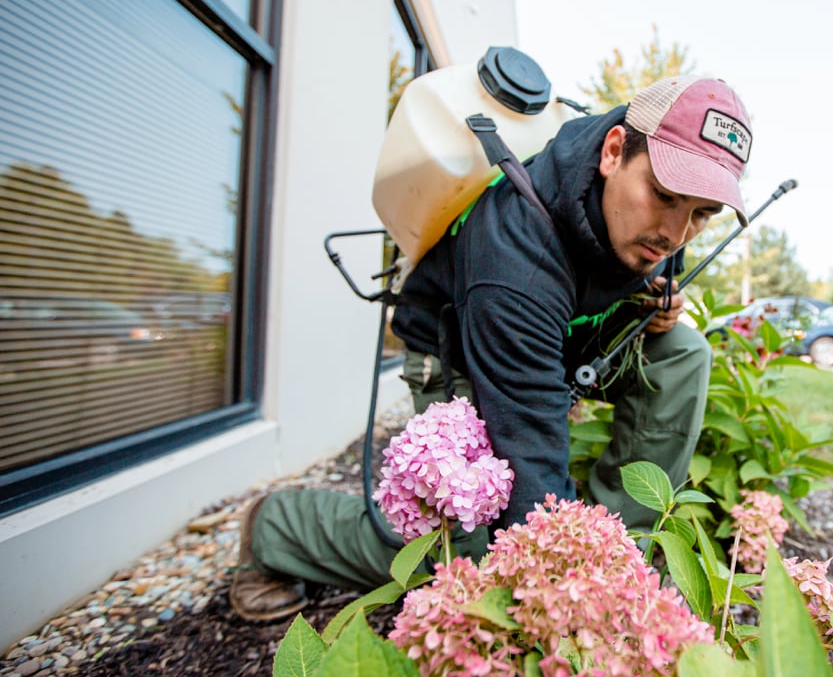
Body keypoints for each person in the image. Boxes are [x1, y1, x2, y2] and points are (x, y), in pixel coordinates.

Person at [230, 74, 755, 622]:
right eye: (665, 196)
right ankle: (278, 528)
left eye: (700, 214)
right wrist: (560, 589)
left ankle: (624, 554)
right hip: (459, 347)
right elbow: (530, 445)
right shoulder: (517, 256)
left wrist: (655, 296)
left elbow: (637, 258)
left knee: (681, 353)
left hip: (549, 335)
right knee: (467, 556)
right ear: (614, 152)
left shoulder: (644, 220)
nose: (674, 234)